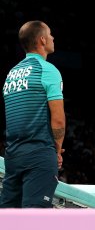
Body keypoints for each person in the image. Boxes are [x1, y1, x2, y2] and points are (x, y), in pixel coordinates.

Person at [0, 21, 65, 208]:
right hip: (39, 154)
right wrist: (57, 149)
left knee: (8, 219)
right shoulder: (48, 70)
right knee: (35, 221)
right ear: (42, 40)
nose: (53, 38)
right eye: (50, 34)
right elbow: (58, 118)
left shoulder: (12, 73)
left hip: (12, 156)